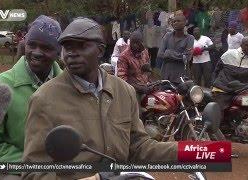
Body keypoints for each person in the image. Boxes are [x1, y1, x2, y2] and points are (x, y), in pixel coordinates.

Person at [22, 17, 177, 180]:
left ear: (101, 50)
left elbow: (139, 147)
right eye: (67, 47)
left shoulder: (124, 92)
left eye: (82, 46)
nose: (72, 53)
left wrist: (191, 151)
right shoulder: (44, 99)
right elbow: (34, 172)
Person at [0, 15, 63, 180]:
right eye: (32, 45)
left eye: (46, 47)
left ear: (58, 51)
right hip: (13, 170)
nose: (36, 52)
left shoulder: (70, 87)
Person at [212, 37, 248, 124]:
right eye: (247, 45)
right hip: (222, 88)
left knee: (245, 104)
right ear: (241, 45)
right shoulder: (229, 54)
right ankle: (215, 133)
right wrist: (213, 82)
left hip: (241, 90)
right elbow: (217, 69)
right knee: (218, 115)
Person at [157, 14, 194, 84]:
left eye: (178, 21)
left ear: (185, 22)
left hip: (181, 77)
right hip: (166, 75)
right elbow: (160, 54)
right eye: (174, 21)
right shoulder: (167, 35)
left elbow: (187, 58)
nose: (175, 23)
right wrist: (180, 56)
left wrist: (168, 53)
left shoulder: (190, 38)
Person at [117, 30, 151, 99]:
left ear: (142, 42)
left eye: (138, 43)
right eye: (133, 42)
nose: (135, 45)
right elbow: (122, 79)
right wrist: (139, 88)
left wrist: (149, 83)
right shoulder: (124, 56)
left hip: (145, 87)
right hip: (131, 92)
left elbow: (147, 70)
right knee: (137, 109)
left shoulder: (145, 52)